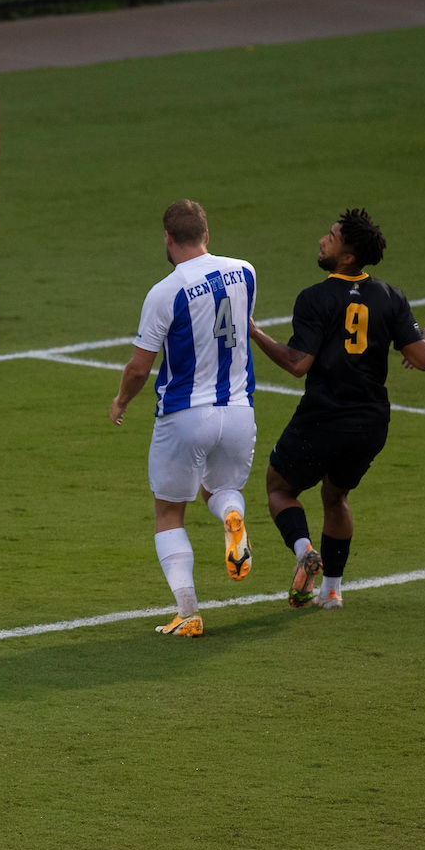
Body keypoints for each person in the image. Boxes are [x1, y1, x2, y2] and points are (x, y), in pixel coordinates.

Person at [250, 208, 425, 610]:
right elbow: (423, 359)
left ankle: (304, 550)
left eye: (331, 237)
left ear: (347, 256)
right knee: (336, 497)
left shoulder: (315, 298)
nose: (322, 240)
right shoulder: (390, 297)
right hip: (370, 423)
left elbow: (298, 364)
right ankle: (332, 591)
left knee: (279, 489)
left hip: (323, 416)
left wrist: (254, 332)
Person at [110, 199, 257, 636]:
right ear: (206, 233)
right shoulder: (245, 272)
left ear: (168, 239)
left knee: (170, 512)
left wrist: (120, 401)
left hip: (184, 415)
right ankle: (233, 516)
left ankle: (189, 611)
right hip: (238, 412)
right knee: (223, 488)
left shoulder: (165, 292)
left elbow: (139, 367)